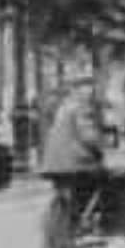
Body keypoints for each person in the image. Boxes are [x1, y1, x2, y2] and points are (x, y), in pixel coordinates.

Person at [40, 75, 105, 218]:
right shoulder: (81, 108)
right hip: (74, 163)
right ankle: (92, 218)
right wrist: (100, 151)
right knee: (105, 180)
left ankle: (69, 217)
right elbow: (88, 136)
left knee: (67, 192)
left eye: (90, 87)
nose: (90, 91)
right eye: (87, 87)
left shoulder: (62, 108)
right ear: (76, 90)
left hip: (53, 164)